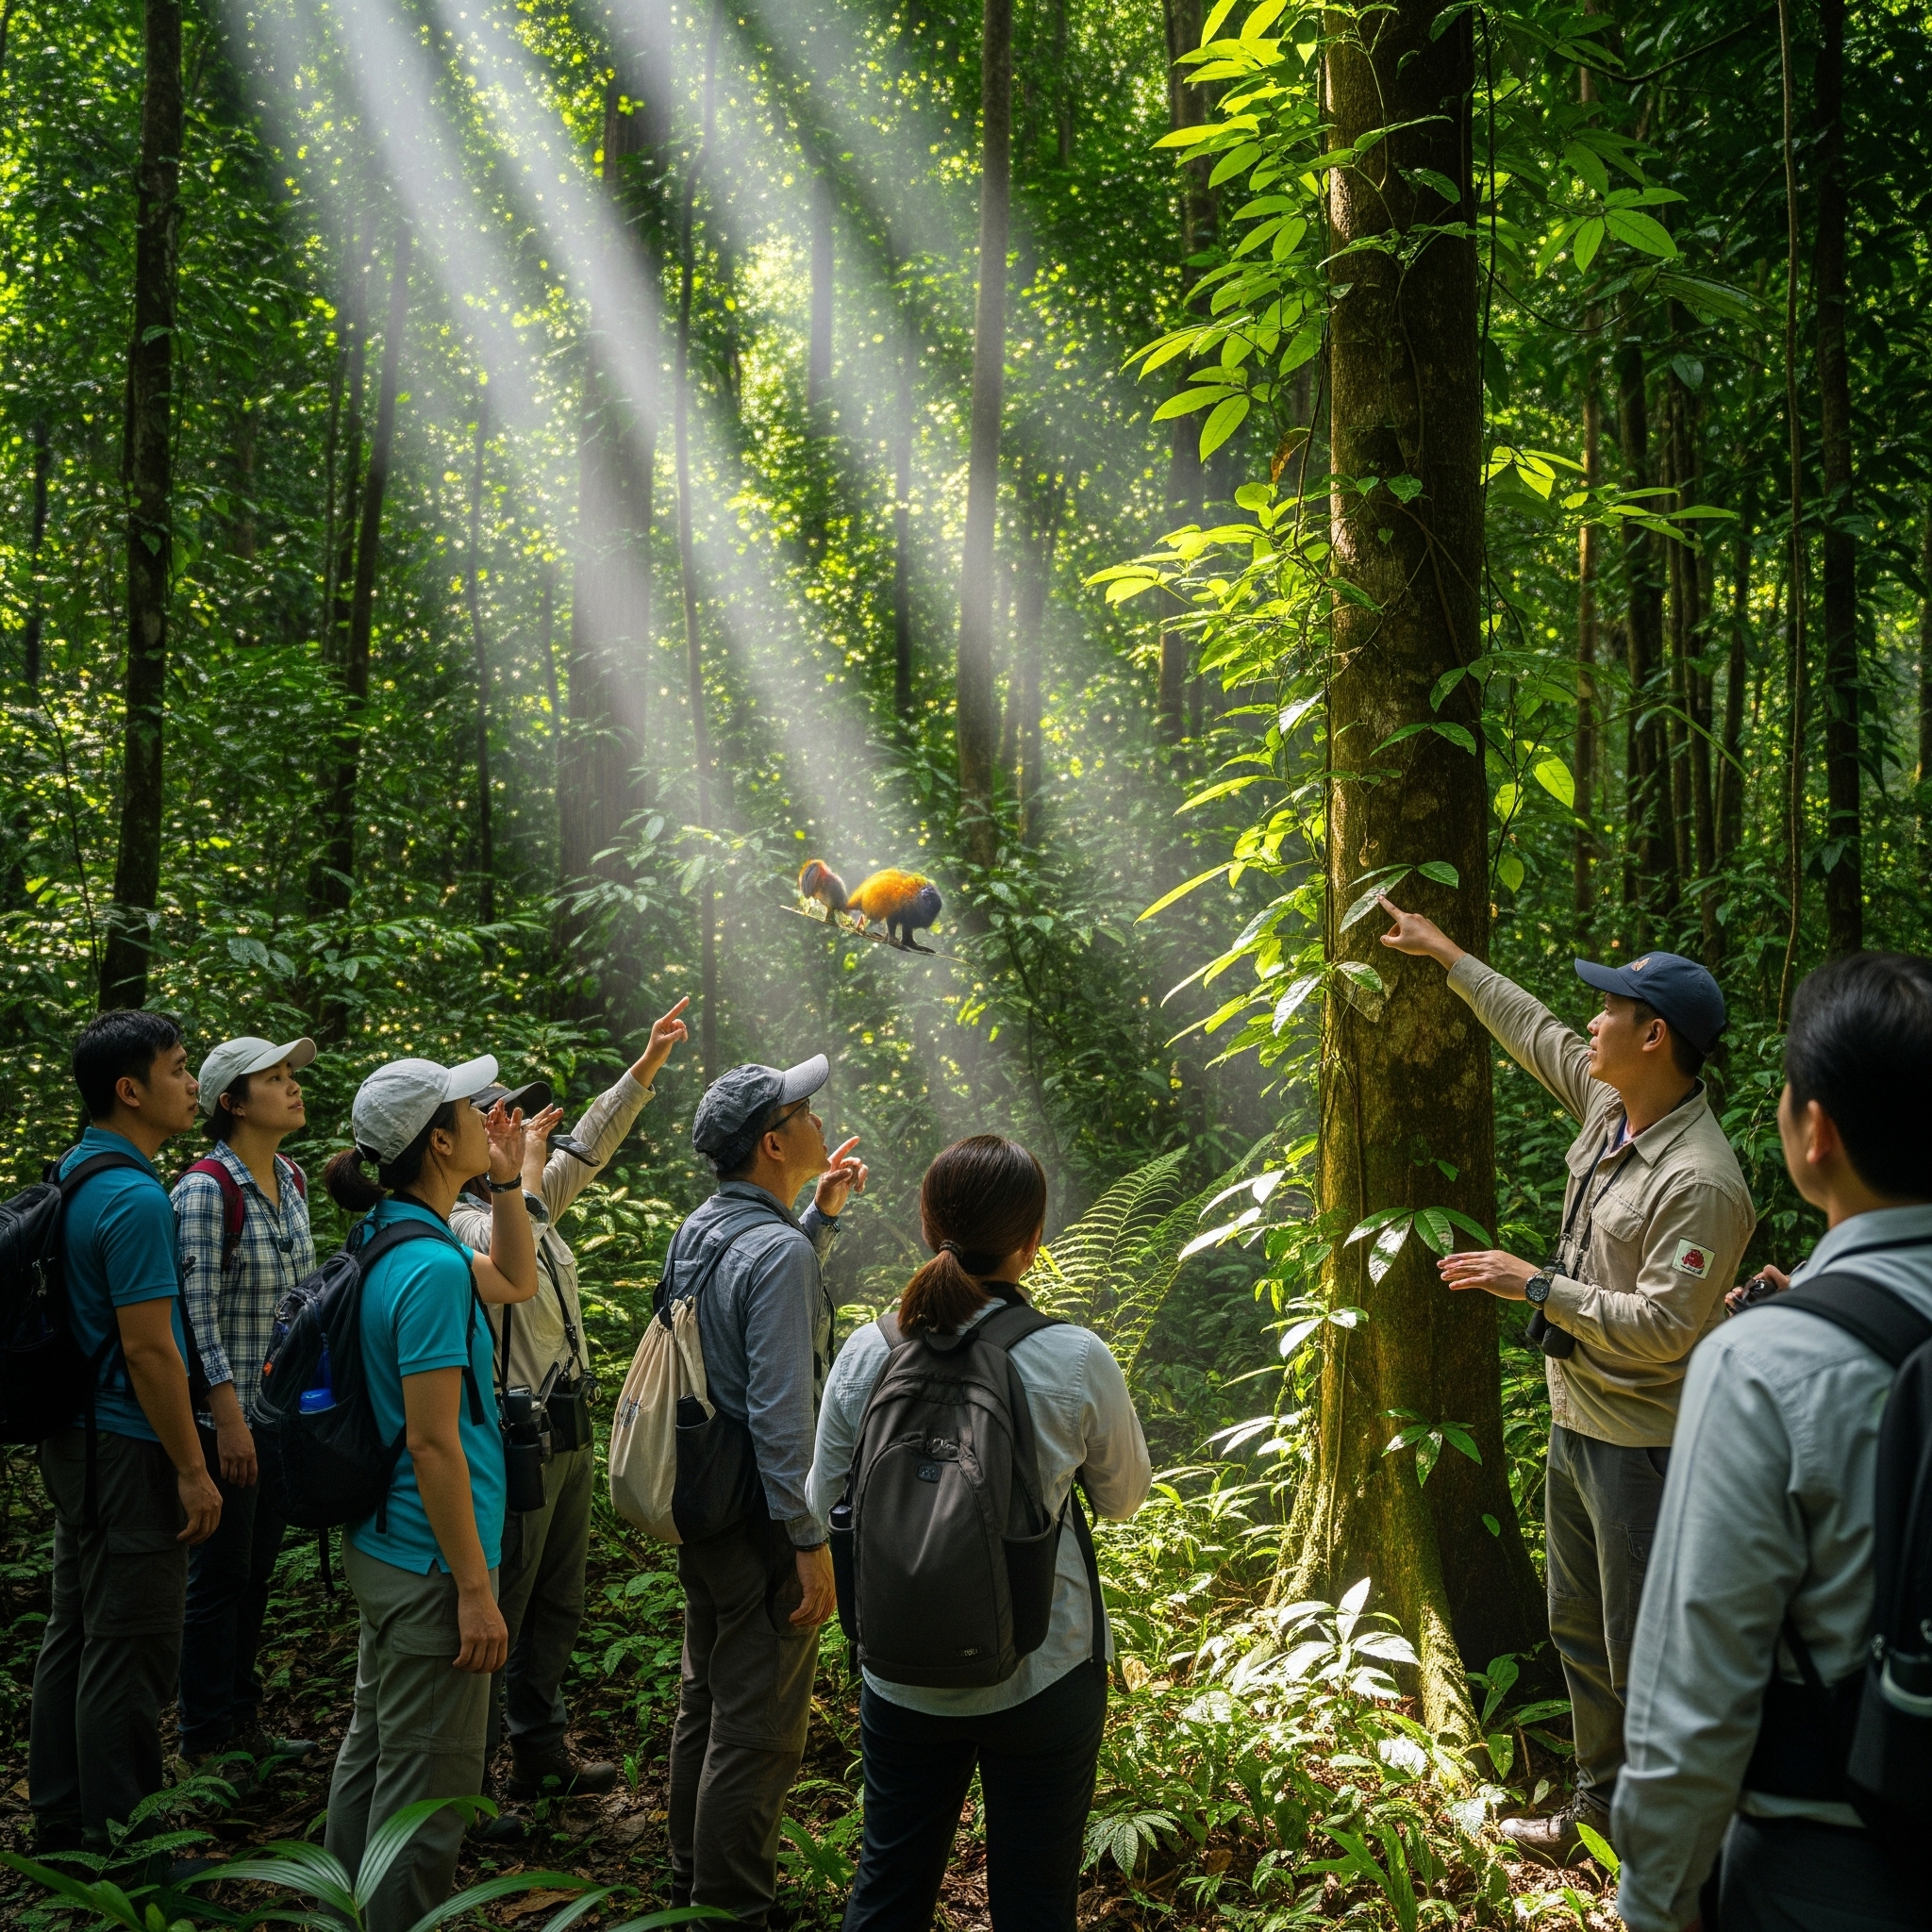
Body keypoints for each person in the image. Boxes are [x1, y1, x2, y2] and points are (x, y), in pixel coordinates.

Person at [1377, 902, 1755, 1863]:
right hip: (1576, 1421)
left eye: (1608, 1010)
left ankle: (1672, 1848)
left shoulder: (1700, 1179)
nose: (1588, 1022)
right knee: (1576, 1633)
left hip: (1648, 1445)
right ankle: (1595, 1816)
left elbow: (1667, 1331)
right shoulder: (1607, 1104)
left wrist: (1531, 1281)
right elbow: (1532, 1027)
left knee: (1645, 1655)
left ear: (1652, 1034)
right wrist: (1445, 953)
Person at [1614, 953, 1932, 1932]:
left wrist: (1654, 1903)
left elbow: (1691, 1701)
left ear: (1814, 1130)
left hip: (1832, 1863)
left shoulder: (1764, 1363)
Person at [808, 1134, 1152, 1932]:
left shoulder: (870, 1351)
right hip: (1047, 1666)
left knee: (889, 1886)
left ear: (930, 1230)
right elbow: (1126, 1498)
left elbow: (823, 1498)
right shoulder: (1071, 1356)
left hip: (901, 1669)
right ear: (1032, 1243)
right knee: (1035, 1904)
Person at [449, 997, 691, 1820]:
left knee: (558, 1602)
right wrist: (522, 1173)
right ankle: (468, 1790)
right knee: (506, 1604)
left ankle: (539, 1755)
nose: (517, 1124)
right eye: (500, 1118)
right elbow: (501, 1246)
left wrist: (647, 1064)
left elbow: (593, 1141)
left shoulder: (529, 1201)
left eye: (517, 1117)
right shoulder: (458, 1222)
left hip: (569, 1430)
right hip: (514, 1441)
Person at [320, 1054, 540, 1932]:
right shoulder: (431, 1266)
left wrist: (510, 1182)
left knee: (374, 1758)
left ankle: (333, 1909)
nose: (487, 1112)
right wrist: (476, 1593)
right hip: (432, 1566)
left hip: (386, 1548)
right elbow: (433, 1440)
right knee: (428, 1800)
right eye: (467, 1108)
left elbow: (516, 1281)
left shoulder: (405, 1235)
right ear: (437, 1139)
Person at [665, 1055, 867, 1926]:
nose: (820, 1117)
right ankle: (733, 1908)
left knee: (704, 1700)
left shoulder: (701, 1228)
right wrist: (808, 1542)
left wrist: (817, 1219)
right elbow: (784, 1415)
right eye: (805, 1109)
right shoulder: (775, 1253)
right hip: (759, 1521)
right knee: (756, 1731)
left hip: (701, 1504)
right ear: (775, 1142)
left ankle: (690, 1884)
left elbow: (734, 1330)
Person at [29, 1010, 224, 1861]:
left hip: (73, 1441)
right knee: (130, 1649)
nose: (192, 1085)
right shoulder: (137, 1197)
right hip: (128, 1445)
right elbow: (151, 1351)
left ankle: (62, 1823)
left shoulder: (74, 1174)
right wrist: (191, 1467)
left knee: (73, 1631)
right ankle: (129, 1848)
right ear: (130, 1089)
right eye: (179, 1070)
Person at [175, 1033, 320, 1774]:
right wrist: (228, 1422)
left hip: (277, 1420)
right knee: (219, 1579)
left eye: (292, 1074)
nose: (292, 1087)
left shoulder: (290, 1179)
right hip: (221, 1425)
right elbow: (196, 1318)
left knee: (254, 1575)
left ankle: (243, 1722)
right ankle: (203, 1741)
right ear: (231, 1102)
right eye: (273, 1078)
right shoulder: (205, 1188)